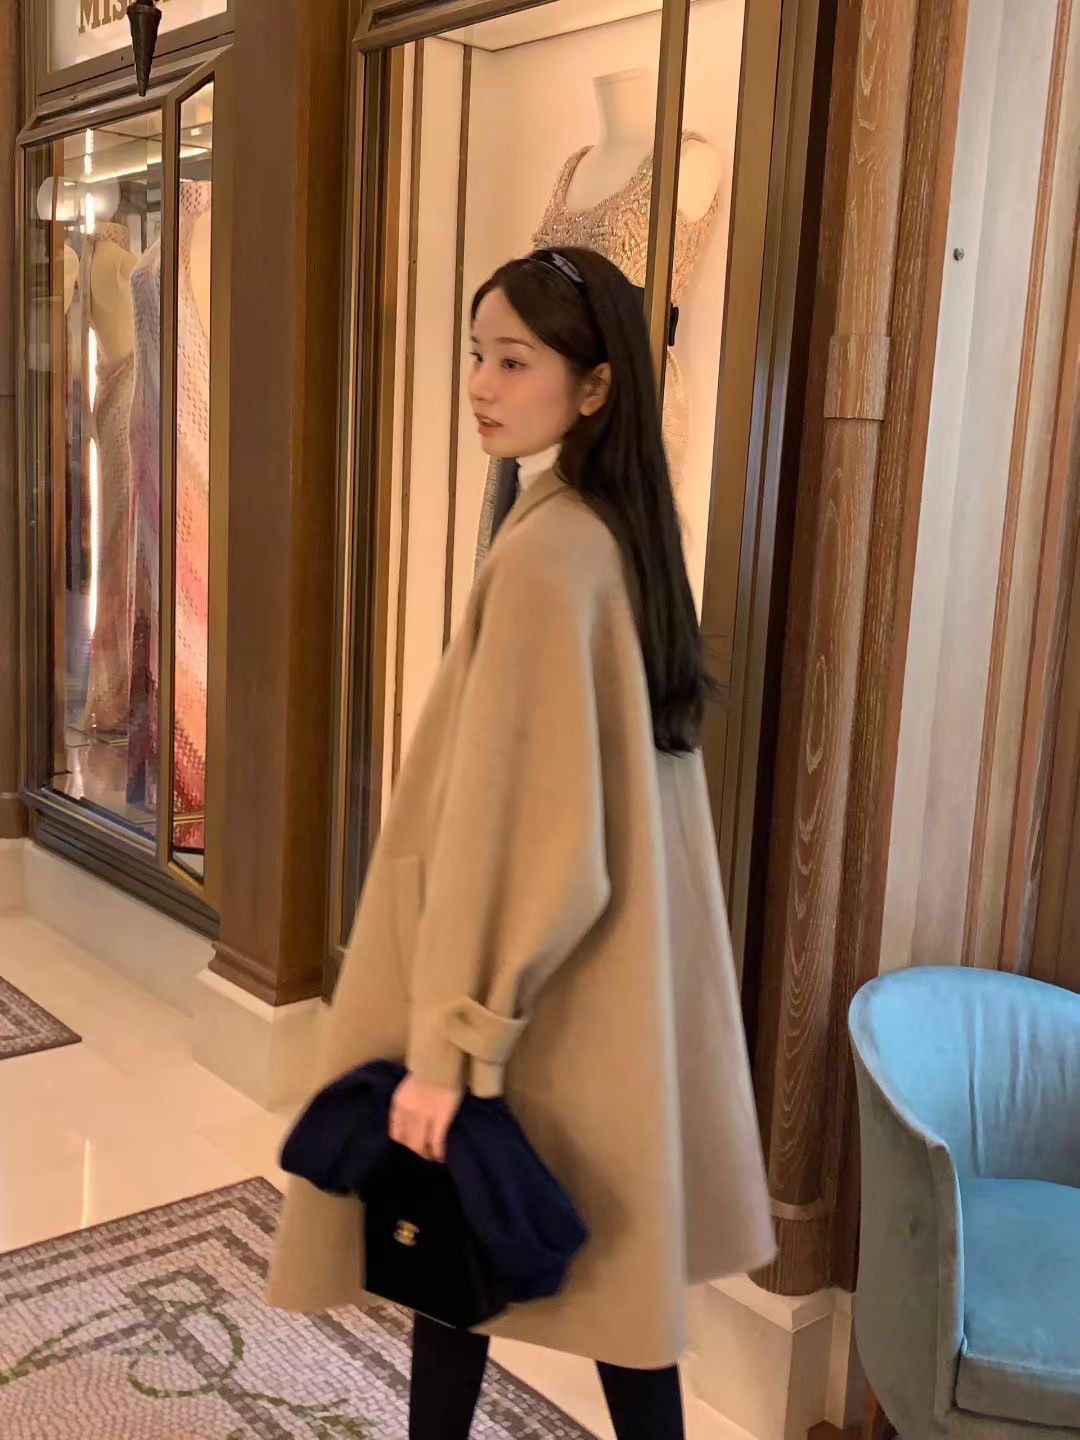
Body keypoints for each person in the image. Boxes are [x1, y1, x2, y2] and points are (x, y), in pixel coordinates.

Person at [266, 246, 775, 1440]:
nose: (482, 387)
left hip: (530, 1013)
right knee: (554, 1291)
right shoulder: (616, 531)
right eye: (477, 357)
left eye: (513, 362)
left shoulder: (552, 557)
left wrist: (453, 1047)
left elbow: (527, 844)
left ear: (594, 388)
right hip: (606, 1009)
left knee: (477, 1264)